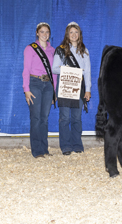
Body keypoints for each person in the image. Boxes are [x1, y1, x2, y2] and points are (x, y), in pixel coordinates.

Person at [52, 22, 91, 155]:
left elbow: (88, 72)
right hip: (65, 86)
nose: (74, 35)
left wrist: (88, 89)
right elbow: (54, 68)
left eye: (76, 32)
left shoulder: (84, 51)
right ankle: (66, 146)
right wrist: (65, 69)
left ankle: (77, 144)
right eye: (71, 32)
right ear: (67, 35)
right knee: (64, 118)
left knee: (76, 118)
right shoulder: (60, 49)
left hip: (79, 88)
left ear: (79, 35)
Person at [22, 22, 56, 158]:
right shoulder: (30, 48)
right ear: (37, 33)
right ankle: (37, 150)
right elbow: (26, 70)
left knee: (44, 118)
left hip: (48, 85)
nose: (44, 34)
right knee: (36, 118)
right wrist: (26, 89)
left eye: (47, 32)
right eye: (42, 32)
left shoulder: (52, 50)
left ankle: (44, 148)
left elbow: (54, 72)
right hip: (34, 83)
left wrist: (54, 91)